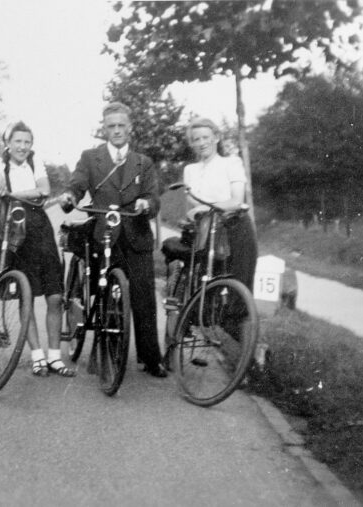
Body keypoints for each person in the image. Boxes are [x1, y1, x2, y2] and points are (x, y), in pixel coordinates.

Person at [60, 102, 166, 378]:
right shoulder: (90, 157)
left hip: (136, 235)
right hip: (103, 233)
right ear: (104, 129)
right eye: (111, 126)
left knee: (143, 295)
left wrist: (145, 204)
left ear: (130, 129)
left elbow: (154, 197)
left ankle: (151, 357)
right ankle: (103, 339)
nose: (116, 131)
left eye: (121, 126)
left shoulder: (144, 162)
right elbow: (77, 184)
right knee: (102, 290)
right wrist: (70, 196)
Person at [0, 121, 75, 378]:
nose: (23, 147)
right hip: (13, 229)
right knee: (26, 293)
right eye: (18, 142)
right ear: (8, 143)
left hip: (39, 226)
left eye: (27, 142)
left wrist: (11, 193)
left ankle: (55, 357)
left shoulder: (35, 164)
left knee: (55, 295)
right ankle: (37, 356)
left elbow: (44, 191)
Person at [182, 116, 258, 292]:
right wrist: (205, 209)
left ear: (216, 138)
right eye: (196, 139)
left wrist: (206, 207)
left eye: (205, 137)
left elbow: (237, 200)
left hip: (234, 227)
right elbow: (192, 205)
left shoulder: (231, 163)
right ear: (192, 143)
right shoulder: (190, 170)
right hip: (206, 230)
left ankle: (236, 317)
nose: (201, 143)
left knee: (238, 282)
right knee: (205, 282)